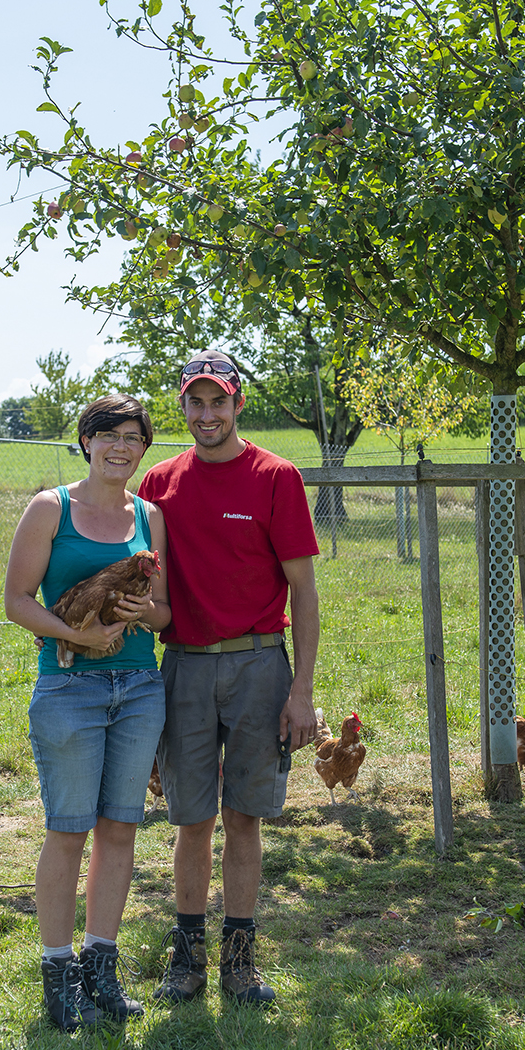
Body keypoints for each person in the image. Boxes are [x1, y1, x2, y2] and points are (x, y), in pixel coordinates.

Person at [137, 350, 321, 1005]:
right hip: (183, 664)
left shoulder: (276, 476)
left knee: (245, 817)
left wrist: (300, 690)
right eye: (195, 401)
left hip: (258, 664)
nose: (207, 413)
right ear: (182, 407)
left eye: (218, 401)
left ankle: (240, 961)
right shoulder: (158, 483)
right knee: (192, 819)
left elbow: (304, 588)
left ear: (238, 402)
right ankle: (185, 961)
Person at [3, 394, 171, 1032]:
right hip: (69, 690)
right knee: (68, 830)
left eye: (132, 437)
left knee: (121, 830)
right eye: (108, 436)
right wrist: (78, 638)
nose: (120, 447)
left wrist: (139, 616)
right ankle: (56, 970)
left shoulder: (149, 516)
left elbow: (166, 613)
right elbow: (18, 601)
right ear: (87, 443)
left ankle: (102, 964)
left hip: (137, 685)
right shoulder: (51, 508)